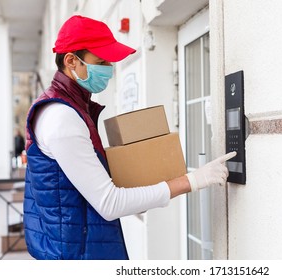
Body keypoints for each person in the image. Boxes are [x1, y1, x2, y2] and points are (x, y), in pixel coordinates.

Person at [23, 15, 236, 260]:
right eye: (100, 61)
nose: (108, 70)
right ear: (71, 60)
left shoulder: (70, 109)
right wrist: (193, 180)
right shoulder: (62, 118)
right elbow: (109, 203)